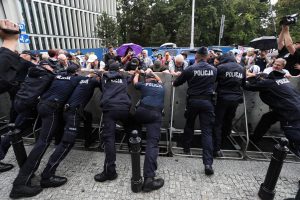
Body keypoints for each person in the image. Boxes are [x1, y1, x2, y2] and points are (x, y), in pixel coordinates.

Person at [10, 65, 84, 198]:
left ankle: (27, 175)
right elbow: (88, 81)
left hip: (42, 105)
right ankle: (20, 184)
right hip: (52, 109)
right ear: (76, 72)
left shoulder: (56, 76)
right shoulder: (75, 79)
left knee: (42, 142)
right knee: (42, 143)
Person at [40, 75, 100, 188]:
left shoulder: (79, 80)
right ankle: (47, 175)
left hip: (67, 109)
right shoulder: (92, 81)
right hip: (74, 112)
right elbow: (104, 85)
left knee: (88, 116)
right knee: (67, 142)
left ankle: (88, 141)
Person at [173, 47, 217, 175]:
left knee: (190, 124)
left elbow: (177, 82)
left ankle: (186, 147)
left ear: (196, 57)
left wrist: (174, 83)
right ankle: (208, 164)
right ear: (207, 56)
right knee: (207, 132)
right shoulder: (214, 70)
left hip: (193, 101)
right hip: (208, 102)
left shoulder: (191, 69)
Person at [244, 70, 300, 158]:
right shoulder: (281, 79)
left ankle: (297, 151)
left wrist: (249, 78)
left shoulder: (268, 83)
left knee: (292, 132)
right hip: (290, 106)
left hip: (289, 110)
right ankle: (254, 139)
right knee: (267, 118)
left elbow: (248, 86)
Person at [94, 63, 134, 183]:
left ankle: (110, 171)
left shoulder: (103, 77)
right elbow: (131, 77)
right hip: (124, 108)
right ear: (119, 70)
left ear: (108, 69)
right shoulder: (124, 78)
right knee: (131, 127)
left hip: (110, 109)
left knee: (109, 140)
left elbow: (97, 77)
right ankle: (134, 147)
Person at [133, 69, 165, 192]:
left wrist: (137, 73)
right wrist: (153, 73)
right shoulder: (161, 86)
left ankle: (135, 147)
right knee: (152, 144)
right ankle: (149, 179)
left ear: (146, 79)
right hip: (155, 115)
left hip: (141, 112)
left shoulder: (144, 84)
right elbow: (159, 79)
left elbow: (135, 83)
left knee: (134, 127)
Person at [213, 53, 245, 157]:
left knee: (218, 122)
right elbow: (244, 84)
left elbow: (214, 80)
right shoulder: (241, 68)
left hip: (223, 98)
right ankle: (224, 143)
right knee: (228, 121)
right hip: (236, 99)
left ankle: (216, 148)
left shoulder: (221, 67)